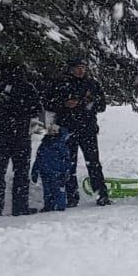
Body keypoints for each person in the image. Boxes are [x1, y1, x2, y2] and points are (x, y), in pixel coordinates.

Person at [51, 56, 108, 206]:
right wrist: (65, 104)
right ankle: (71, 196)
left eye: (83, 67)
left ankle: (101, 194)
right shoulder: (61, 83)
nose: (81, 70)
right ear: (71, 68)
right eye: (78, 67)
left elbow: (102, 105)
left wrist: (86, 104)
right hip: (67, 128)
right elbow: (49, 103)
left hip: (87, 128)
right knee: (69, 163)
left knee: (93, 162)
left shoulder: (92, 84)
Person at [0, 61, 42, 215]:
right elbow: (36, 109)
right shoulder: (27, 88)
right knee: (20, 172)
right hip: (19, 135)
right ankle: (19, 206)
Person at [30, 125, 72, 211]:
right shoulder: (44, 144)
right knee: (47, 191)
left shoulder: (61, 145)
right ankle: (49, 205)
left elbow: (66, 160)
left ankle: (59, 205)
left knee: (58, 190)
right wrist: (35, 171)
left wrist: (66, 171)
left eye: (54, 131)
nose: (52, 133)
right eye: (50, 131)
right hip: (45, 172)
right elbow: (38, 158)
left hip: (57, 173)